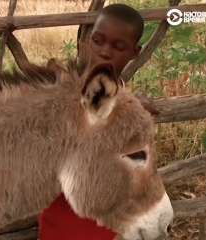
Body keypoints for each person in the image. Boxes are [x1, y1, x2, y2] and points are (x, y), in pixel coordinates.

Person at [38, 4, 150, 240]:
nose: (105, 52)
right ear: (88, 40)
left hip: (106, 228)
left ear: (134, 52)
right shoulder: (60, 91)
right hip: (60, 224)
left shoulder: (126, 101)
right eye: (98, 41)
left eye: (118, 47)